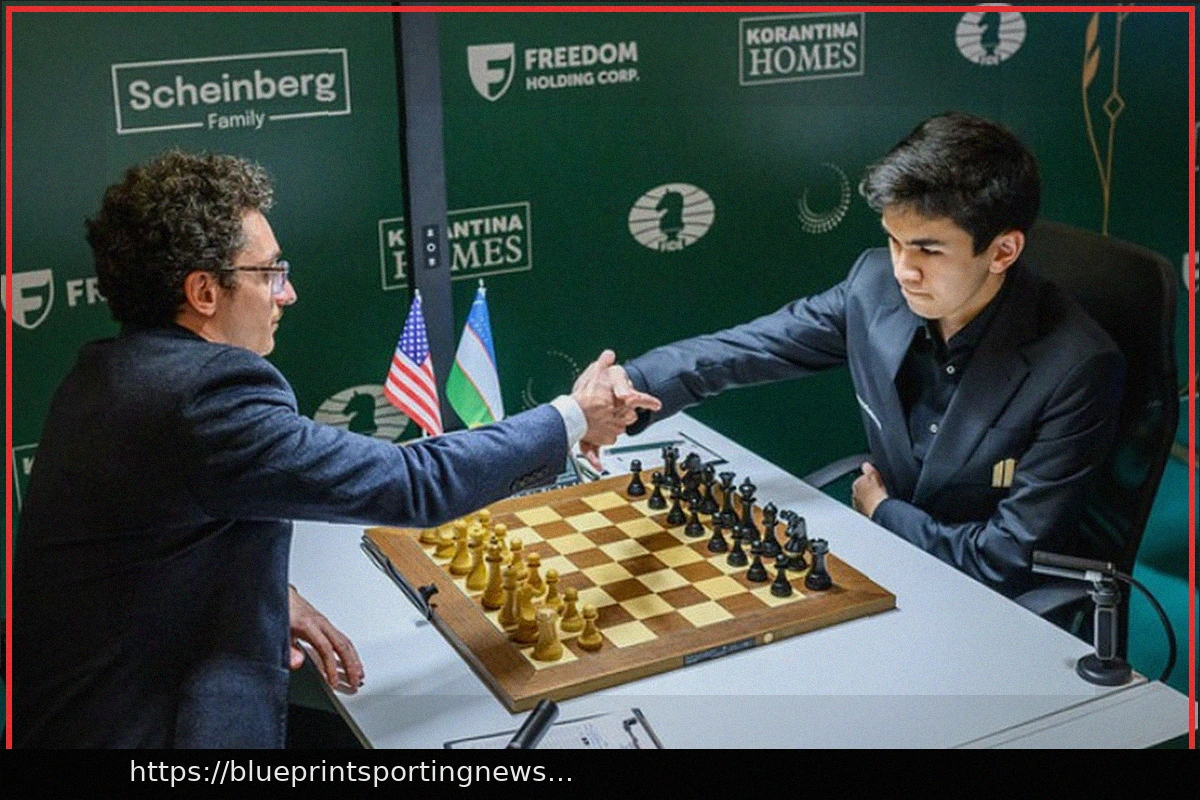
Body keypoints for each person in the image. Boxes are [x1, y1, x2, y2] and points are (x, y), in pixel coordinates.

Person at [13, 150, 660, 748]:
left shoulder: (106, 371)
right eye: (270, 273)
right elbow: (415, 483)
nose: (287, 293)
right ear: (204, 292)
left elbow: (149, 549)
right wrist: (573, 418)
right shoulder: (206, 396)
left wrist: (274, 594)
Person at [583, 113, 1125, 599]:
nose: (903, 269)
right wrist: (629, 385)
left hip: (985, 605)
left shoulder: (1076, 367)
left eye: (928, 249)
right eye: (894, 240)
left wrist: (884, 511)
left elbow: (1004, 560)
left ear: (1003, 251)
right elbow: (747, 349)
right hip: (880, 568)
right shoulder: (875, 286)